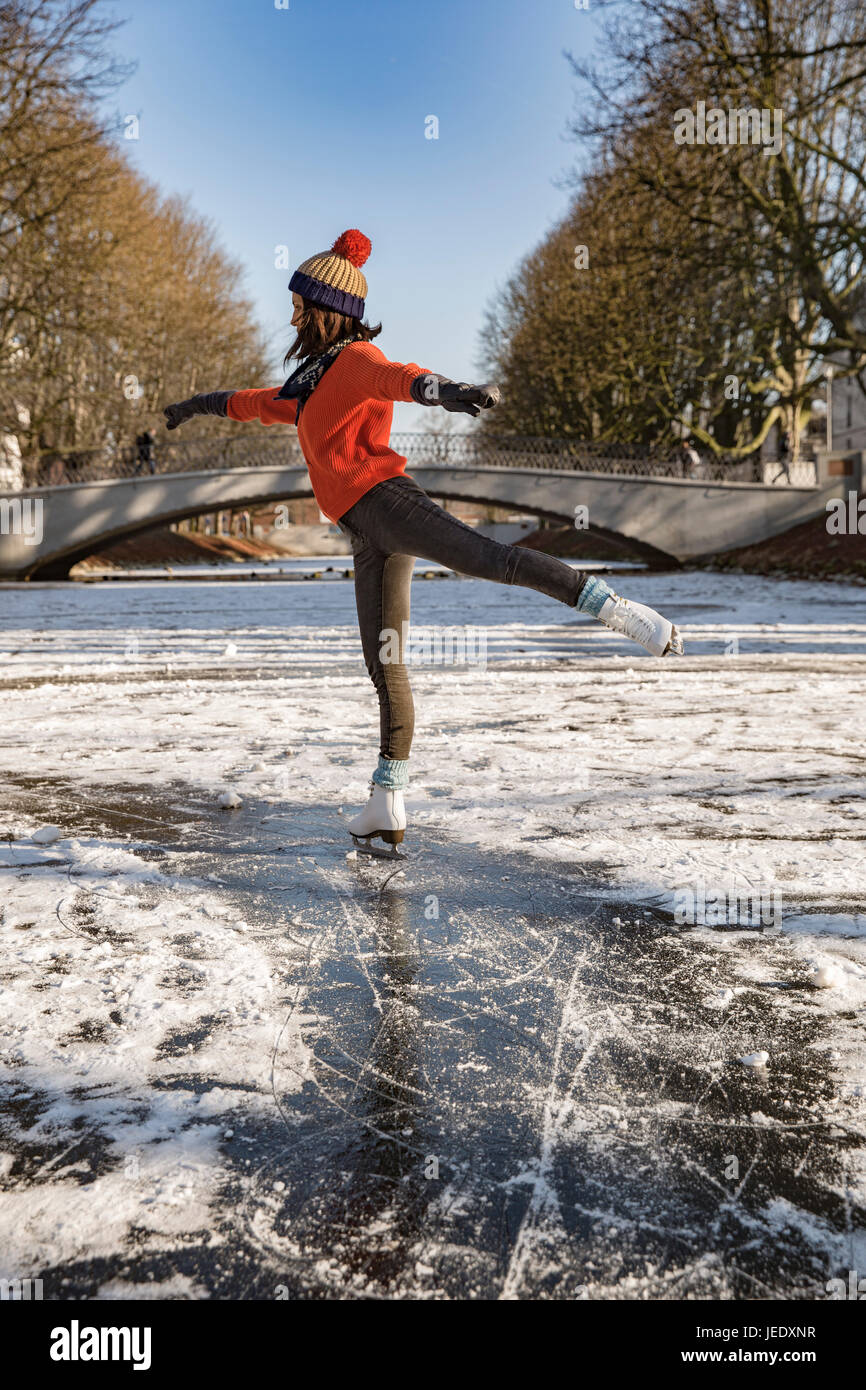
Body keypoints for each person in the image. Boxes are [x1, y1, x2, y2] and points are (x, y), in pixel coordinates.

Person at [163, 229, 684, 857]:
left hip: (389, 502)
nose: (293, 314)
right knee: (385, 664)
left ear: (329, 313)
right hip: (364, 530)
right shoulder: (306, 384)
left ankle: (624, 613)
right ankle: (386, 804)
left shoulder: (355, 361)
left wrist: (455, 391)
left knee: (492, 559)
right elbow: (250, 402)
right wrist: (196, 405)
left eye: (302, 304)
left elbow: (402, 378)